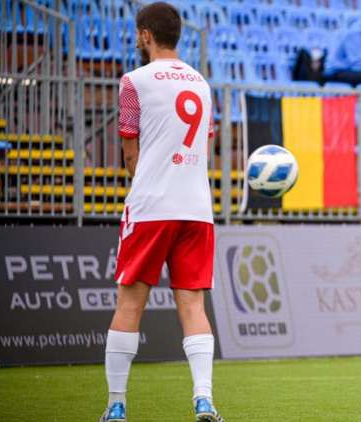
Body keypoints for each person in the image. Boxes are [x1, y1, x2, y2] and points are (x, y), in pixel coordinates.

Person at [100, 2, 224, 422]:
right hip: (196, 208)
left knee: (129, 304)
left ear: (145, 35)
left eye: (138, 34)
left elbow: (130, 149)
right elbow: (204, 141)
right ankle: (203, 399)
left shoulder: (133, 81)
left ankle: (116, 405)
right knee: (193, 307)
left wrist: (144, 177)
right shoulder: (203, 84)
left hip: (152, 205)